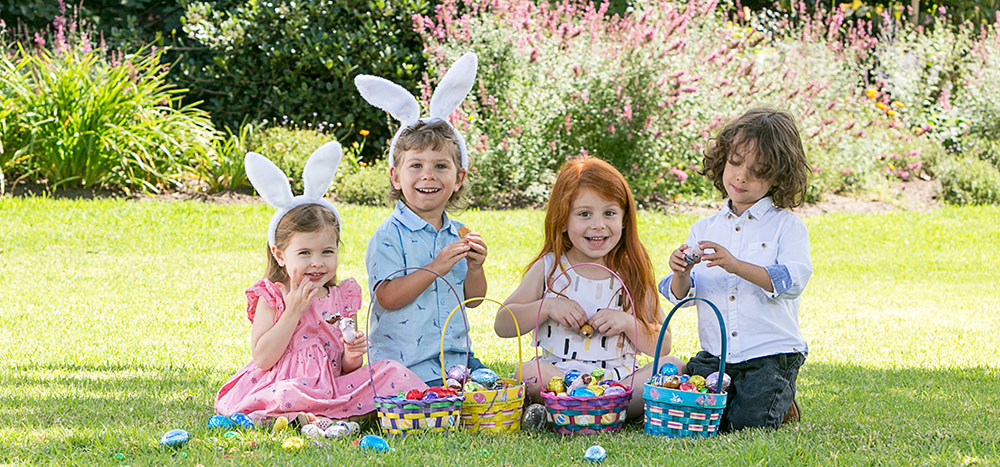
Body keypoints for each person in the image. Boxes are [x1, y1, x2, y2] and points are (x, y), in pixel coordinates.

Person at [215, 143, 425, 428]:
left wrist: (352, 354)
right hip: (285, 385)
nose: (317, 263)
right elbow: (263, 358)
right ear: (280, 255)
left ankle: (323, 416)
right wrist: (293, 311)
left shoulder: (341, 297)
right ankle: (312, 416)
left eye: (327, 252)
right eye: (304, 254)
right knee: (285, 394)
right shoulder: (273, 295)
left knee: (390, 371)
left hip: (332, 387)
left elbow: (344, 366)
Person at [660, 108, 813, 432]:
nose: (741, 176)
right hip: (716, 353)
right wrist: (680, 273)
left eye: (758, 171)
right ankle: (755, 396)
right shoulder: (705, 227)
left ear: (778, 176)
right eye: (736, 162)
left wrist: (736, 265)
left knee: (746, 425)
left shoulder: (786, 226)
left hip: (770, 354)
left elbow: (792, 280)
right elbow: (684, 296)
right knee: (696, 415)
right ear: (722, 159)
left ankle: (779, 400)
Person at [497, 156, 683, 420]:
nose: (598, 225)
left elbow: (661, 346)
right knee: (527, 373)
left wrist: (628, 323)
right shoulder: (550, 268)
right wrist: (547, 306)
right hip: (559, 379)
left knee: (673, 366)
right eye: (584, 214)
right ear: (562, 220)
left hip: (619, 384)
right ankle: (594, 409)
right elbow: (503, 325)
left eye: (609, 213)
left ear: (624, 220)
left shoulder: (632, 272)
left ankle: (588, 409)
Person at [356, 53, 491, 385]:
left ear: (458, 177)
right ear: (395, 176)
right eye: (415, 166)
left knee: (494, 389)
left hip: (457, 359)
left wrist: (475, 267)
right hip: (403, 362)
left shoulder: (458, 233)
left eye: (440, 166)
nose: (427, 176)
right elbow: (386, 298)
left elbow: (473, 301)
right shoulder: (389, 236)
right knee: (433, 400)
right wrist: (435, 267)